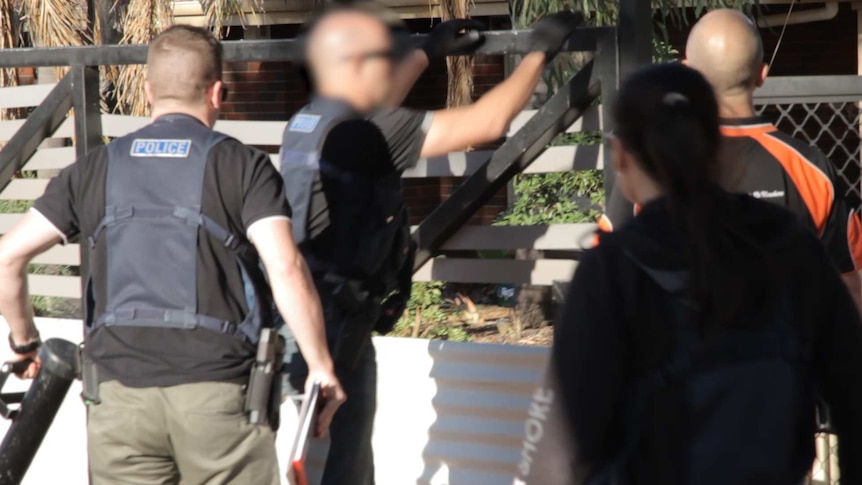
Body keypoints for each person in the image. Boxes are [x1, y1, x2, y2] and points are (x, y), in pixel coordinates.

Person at [0, 25, 345, 485]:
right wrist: (321, 367)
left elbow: (7, 258)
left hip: (118, 403)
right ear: (218, 92)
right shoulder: (244, 167)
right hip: (219, 401)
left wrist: (26, 344)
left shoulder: (91, 170)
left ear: (146, 91)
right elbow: (286, 267)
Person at [514, 62, 862, 485]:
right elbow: (853, 392)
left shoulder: (612, 268)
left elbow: (557, 456)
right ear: (716, 144)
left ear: (620, 154)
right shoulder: (789, 245)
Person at [279, 5, 583, 484]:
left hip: (297, 306)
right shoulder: (370, 130)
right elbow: (488, 122)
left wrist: (426, 51)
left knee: (309, 438)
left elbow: (376, 111)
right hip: (336, 318)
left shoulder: (307, 120)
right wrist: (539, 53)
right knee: (345, 454)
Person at [599, 9, 862, 310]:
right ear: (762, 75)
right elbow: (849, 288)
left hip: (675, 351)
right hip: (783, 352)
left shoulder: (650, 164)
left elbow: (608, 273)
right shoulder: (811, 168)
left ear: (688, 73)